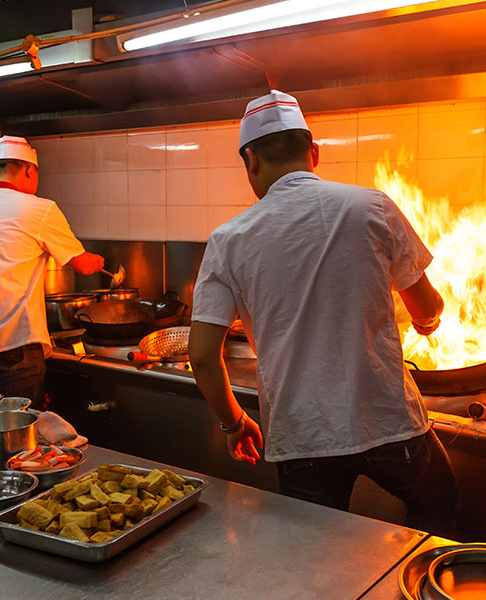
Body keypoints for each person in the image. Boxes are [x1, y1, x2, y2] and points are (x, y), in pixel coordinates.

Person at [189, 90, 459, 537]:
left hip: (302, 437)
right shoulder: (373, 206)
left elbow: (202, 356)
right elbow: (427, 307)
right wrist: (427, 323)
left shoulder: (228, 239)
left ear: (250, 161)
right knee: (437, 503)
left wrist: (235, 423)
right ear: (314, 153)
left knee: (313, 553)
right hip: (391, 425)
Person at [0, 135, 104, 406]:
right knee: (17, 437)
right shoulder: (39, 209)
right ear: (29, 170)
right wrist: (96, 260)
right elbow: (82, 265)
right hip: (13, 343)